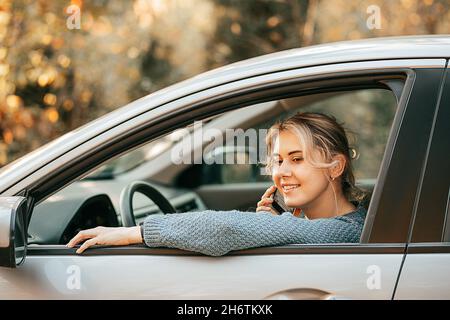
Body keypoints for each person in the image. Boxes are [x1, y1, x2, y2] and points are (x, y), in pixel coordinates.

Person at [67, 112, 368, 256]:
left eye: (297, 159)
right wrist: (274, 227)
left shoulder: (346, 230)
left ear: (335, 166)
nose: (281, 172)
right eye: (278, 160)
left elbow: (225, 229)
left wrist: (133, 233)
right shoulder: (336, 223)